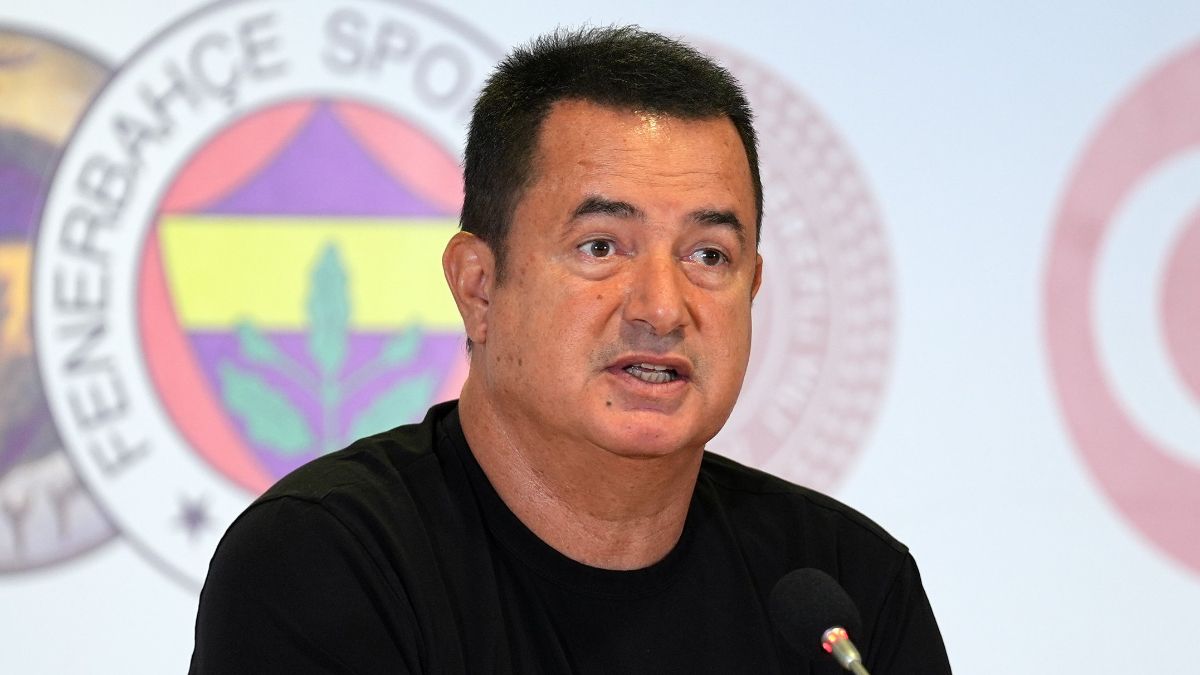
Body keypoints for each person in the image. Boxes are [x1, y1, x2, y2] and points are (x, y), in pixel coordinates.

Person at [190, 26, 951, 674]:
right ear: (479, 287)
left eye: (708, 255)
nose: (662, 308)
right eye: (601, 247)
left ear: (752, 289)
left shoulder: (845, 594)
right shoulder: (328, 564)